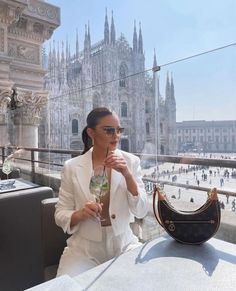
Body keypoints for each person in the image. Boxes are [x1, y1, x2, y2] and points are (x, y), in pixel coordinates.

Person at [55, 107, 148, 277]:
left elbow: (141, 210)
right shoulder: (72, 167)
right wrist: (81, 213)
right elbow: (60, 214)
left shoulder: (131, 161)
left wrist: (127, 175)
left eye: (119, 130)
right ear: (91, 132)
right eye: (109, 130)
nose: (116, 135)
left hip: (123, 244)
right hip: (84, 250)